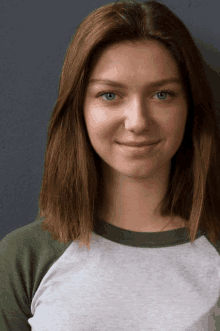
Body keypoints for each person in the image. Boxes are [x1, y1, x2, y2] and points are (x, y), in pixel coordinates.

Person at [1, 0, 220, 330]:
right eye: (110, 95)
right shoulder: (23, 257)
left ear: (190, 106)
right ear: (79, 108)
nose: (137, 121)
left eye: (162, 94)